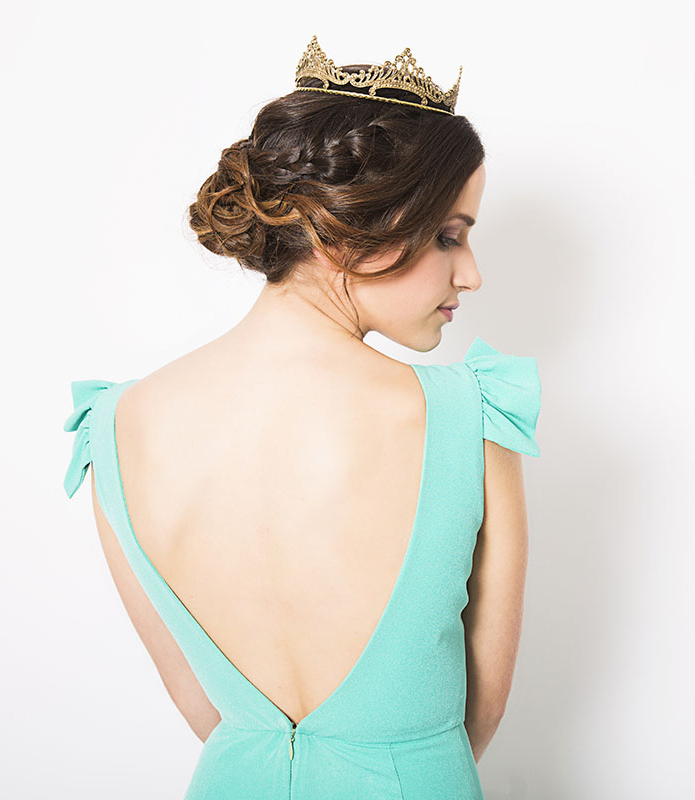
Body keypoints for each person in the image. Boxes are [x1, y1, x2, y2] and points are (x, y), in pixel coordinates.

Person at [62, 35, 542, 799]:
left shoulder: (116, 424)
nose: (471, 274)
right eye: (449, 235)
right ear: (343, 227)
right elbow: (478, 714)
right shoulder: (471, 417)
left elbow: (202, 708)